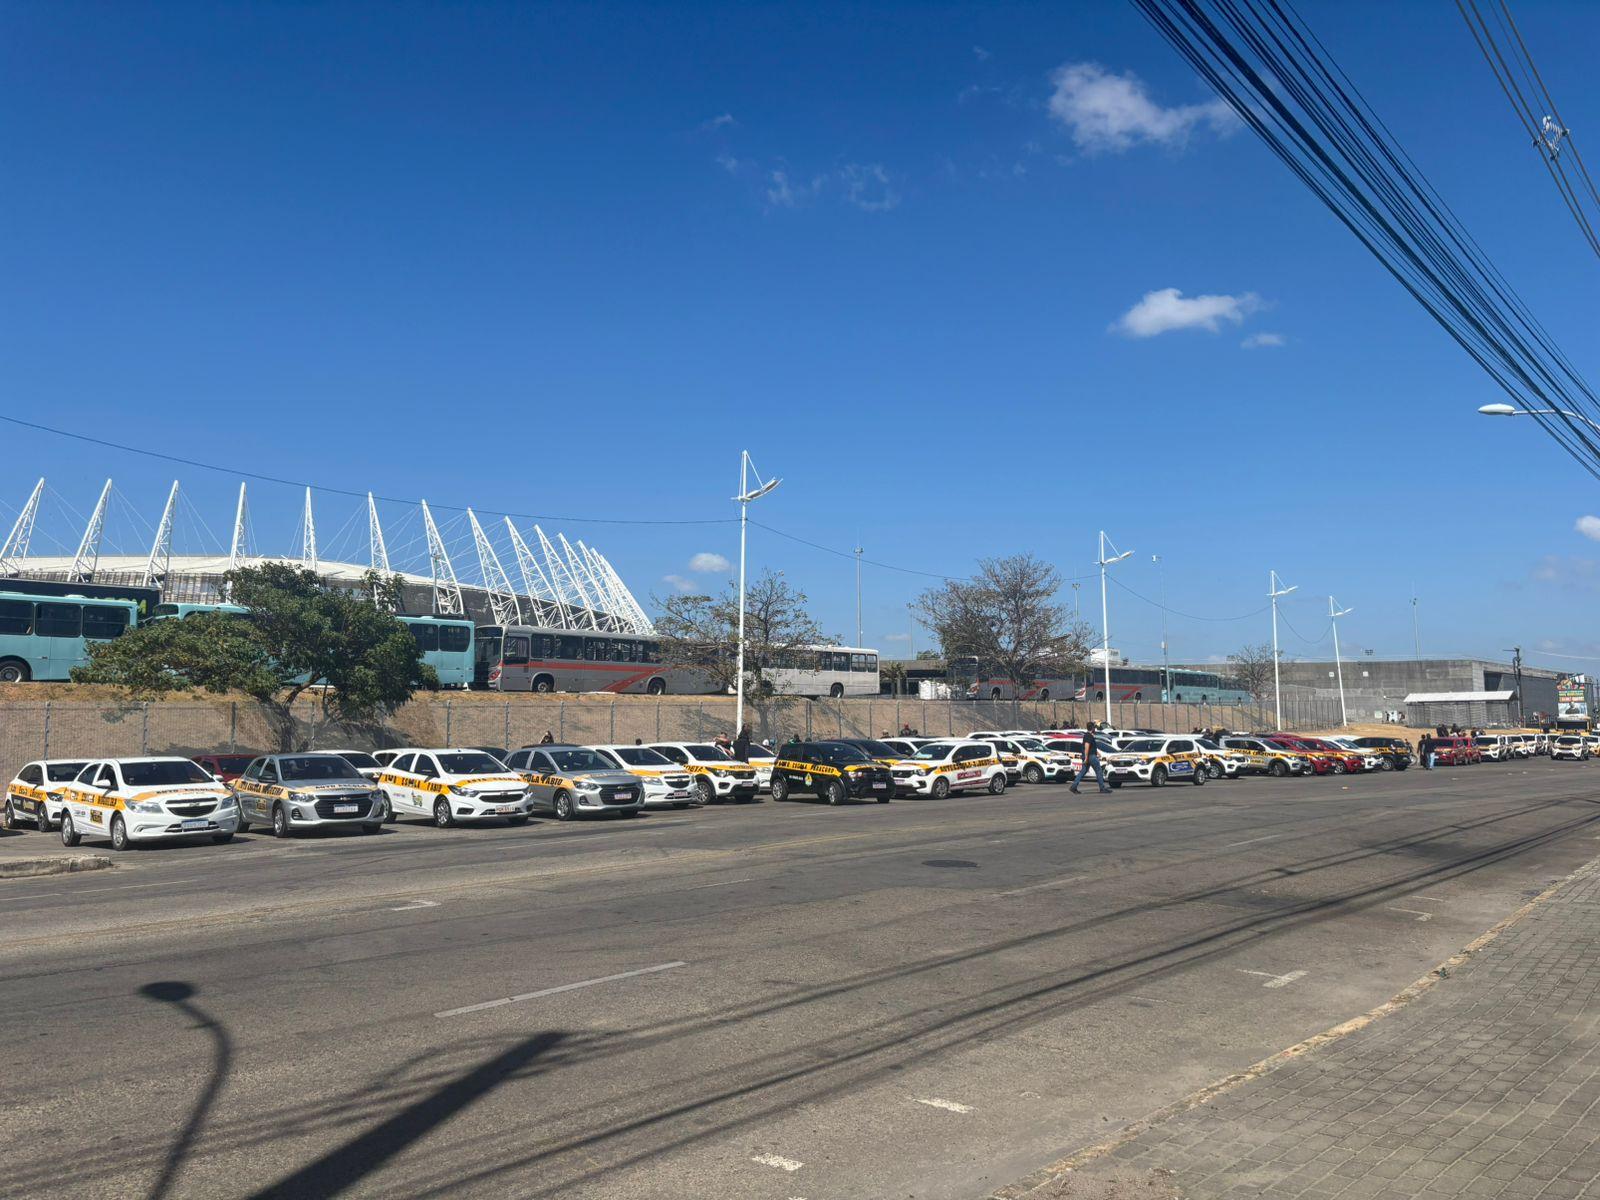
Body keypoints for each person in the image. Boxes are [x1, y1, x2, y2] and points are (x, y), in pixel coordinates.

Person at [1070, 726, 1111, 794]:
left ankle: (1074, 787)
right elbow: (1087, 746)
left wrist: (1097, 753)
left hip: (1089, 755)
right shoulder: (1089, 736)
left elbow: (1091, 747)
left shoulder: (1086, 736)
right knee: (1099, 771)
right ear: (1092, 729)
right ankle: (1102, 788)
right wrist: (1086, 757)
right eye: (1094, 728)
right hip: (1091, 757)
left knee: (1083, 772)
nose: (1095, 729)